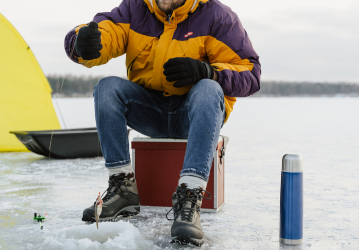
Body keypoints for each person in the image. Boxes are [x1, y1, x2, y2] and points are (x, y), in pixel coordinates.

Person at [64, 0, 260, 246]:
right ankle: (123, 189)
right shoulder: (135, 9)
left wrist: (208, 72)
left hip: (194, 114)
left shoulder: (218, 17)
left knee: (209, 89)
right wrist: (80, 43)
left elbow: (251, 74)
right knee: (107, 88)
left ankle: (190, 196)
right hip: (151, 111)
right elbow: (106, 30)